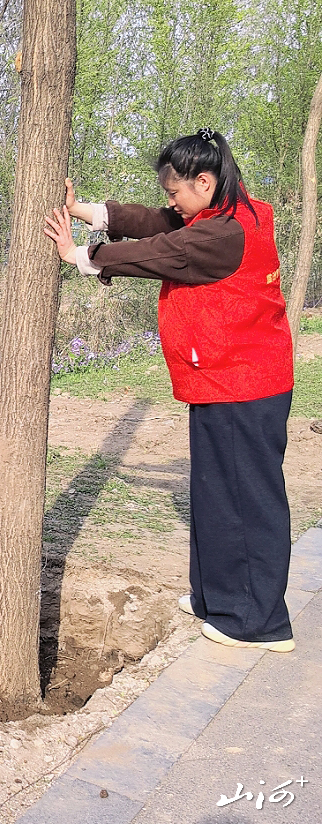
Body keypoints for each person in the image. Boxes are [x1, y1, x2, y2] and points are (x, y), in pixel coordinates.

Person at [43, 128, 296, 653]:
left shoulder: (222, 235)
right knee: (214, 492)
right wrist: (87, 211)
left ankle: (258, 623)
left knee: (245, 500)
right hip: (223, 379)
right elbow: (160, 222)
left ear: (204, 182)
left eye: (175, 191)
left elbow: (160, 249)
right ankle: (217, 598)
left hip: (244, 384)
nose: (171, 202)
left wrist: (80, 256)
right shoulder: (228, 212)